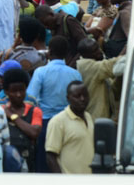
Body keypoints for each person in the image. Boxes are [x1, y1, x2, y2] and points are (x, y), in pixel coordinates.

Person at [26, 36, 82, 172]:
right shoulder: (75, 74)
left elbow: (31, 98)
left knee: (44, 165)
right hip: (70, 122)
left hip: (46, 124)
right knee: (67, 163)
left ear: (49, 52)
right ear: (67, 53)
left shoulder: (41, 72)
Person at [45, 81, 94, 174]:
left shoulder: (89, 117)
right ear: (68, 98)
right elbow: (50, 157)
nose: (82, 99)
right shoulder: (58, 121)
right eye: (77, 96)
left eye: (85, 95)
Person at [1, 68, 42, 172]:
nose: (18, 95)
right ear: (6, 92)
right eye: (14, 91)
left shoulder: (34, 111)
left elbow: (34, 132)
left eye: (22, 90)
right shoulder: (0, 111)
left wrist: (12, 116)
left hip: (28, 162)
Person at [75, 38, 123, 120]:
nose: (99, 52)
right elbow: (110, 66)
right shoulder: (86, 66)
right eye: (95, 51)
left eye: (98, 48)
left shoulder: (96, 66)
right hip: (95, 119)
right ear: (86, 55)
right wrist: (129, 52)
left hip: (107, 118)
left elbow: (113, 90)